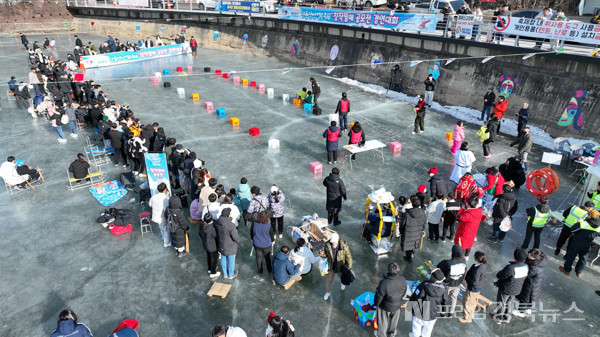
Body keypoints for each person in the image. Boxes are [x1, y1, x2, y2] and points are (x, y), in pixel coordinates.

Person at [489, 248, 528, 325]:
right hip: (516, 289)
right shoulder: (525, 266)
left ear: (515, 257)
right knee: (510, 302)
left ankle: (498, 318)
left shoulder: (511, 267)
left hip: (506, 289)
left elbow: (500, 275)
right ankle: (507, 317)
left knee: (502, 303)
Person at [559, 210, 600, 277]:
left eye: (588, 215)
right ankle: (579, 272)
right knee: (583, 258)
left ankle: (566, 270)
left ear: (590, 216)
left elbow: (572, 230)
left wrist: (577, 223)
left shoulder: (583, 223)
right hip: (587, 244)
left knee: (571, 256)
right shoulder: (598, 227)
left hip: (577, 242)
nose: (587, 216)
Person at [408, 269, 448, 337]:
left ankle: (415, 335)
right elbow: (445, 302)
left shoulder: (424, 285)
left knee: (416, 327)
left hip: (419, 313)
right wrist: (443, 311)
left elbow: (415, 297)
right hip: (433, 314)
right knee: (427, 332)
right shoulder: (444, 289)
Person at [373, 263, 407, 337]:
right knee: (394, 322)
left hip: (385, 307)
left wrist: (376, 304)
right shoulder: (402, 279)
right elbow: (404, 292)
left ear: (388, 270)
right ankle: (392, 334)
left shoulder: (384, 283)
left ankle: (382, 335)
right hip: (397, 305)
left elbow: (379, 297)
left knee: (382, 323)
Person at [514, 248, 546, 317]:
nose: (528, 255)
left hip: (530, 286)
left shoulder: (534, 267)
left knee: (525, 299)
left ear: (535, 257)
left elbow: (526, 274)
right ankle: (528, 309)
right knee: (531, 299)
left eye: (530, 255)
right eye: (529, 253)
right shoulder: (539, 262)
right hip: (535, 285)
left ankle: (521, 312)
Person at [321, 232, 352, 300]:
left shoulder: (344, 246)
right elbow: (325, 255)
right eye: (332, 241)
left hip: (340, 265)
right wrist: (322, 254)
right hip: (331, 265)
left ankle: (342, 283)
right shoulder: (327, 245)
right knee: (329, 280)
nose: (333, 243)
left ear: (338, 240)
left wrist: (349, 267)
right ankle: (328, 292)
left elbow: (348, 256)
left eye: (334, 242)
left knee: (342, 276)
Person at [438, 245, 467, 316]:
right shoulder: (464, 263)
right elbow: (464, 273)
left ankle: (443, 312)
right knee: (454, 298)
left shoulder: (447, 263)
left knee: (444, 298)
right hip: (457, 284)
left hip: (447, 284)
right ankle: (451, 312)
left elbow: (438, 268)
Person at [459, 251, 487, 323]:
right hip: (478, 288)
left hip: (473, 289)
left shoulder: (477, 270)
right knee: (473, 301)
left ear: (476, 258)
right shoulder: (483, 265)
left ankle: (467, 318)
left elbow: (474, 282)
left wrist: (467, 278)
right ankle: (470, 313)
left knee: (467, 302)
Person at [399, 196, 427, 262]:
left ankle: (408, 258)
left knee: (408, 245)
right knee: (414, 243)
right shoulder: (423, 213)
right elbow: (424, 222)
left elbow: (402, 224)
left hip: (408, 233)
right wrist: (422, 230)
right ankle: (412, 253)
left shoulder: (407, 213)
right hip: (417, 232)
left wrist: (401, 231)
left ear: (412, 204)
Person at [216, 208, 240, 279]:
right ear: (228, 215)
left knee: (223, 258)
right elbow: (236, 238)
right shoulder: (231, 225)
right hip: (230, 246)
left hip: (221, 245)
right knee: (231, 260)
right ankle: (230, 274)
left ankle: (225, 274)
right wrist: (238, 240)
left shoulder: (217, 222)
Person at [198, 213, 220, 278]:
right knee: (214, 258)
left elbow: (200, 234)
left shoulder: (202, 225)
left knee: (209, 256)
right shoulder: (212, 228)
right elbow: (216, 236)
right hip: (212, 246)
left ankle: (210, 269)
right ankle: (213, 272)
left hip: (205, 245)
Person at [150, 182, 171, 248]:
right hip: (162, 217)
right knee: (166, 229)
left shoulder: (153, 197)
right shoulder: (165, 199)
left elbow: (150, 204)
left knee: (161, 228)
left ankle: (163, 237)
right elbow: (166, 209)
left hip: (155, 217)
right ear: (165, 190)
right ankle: (166, 243)